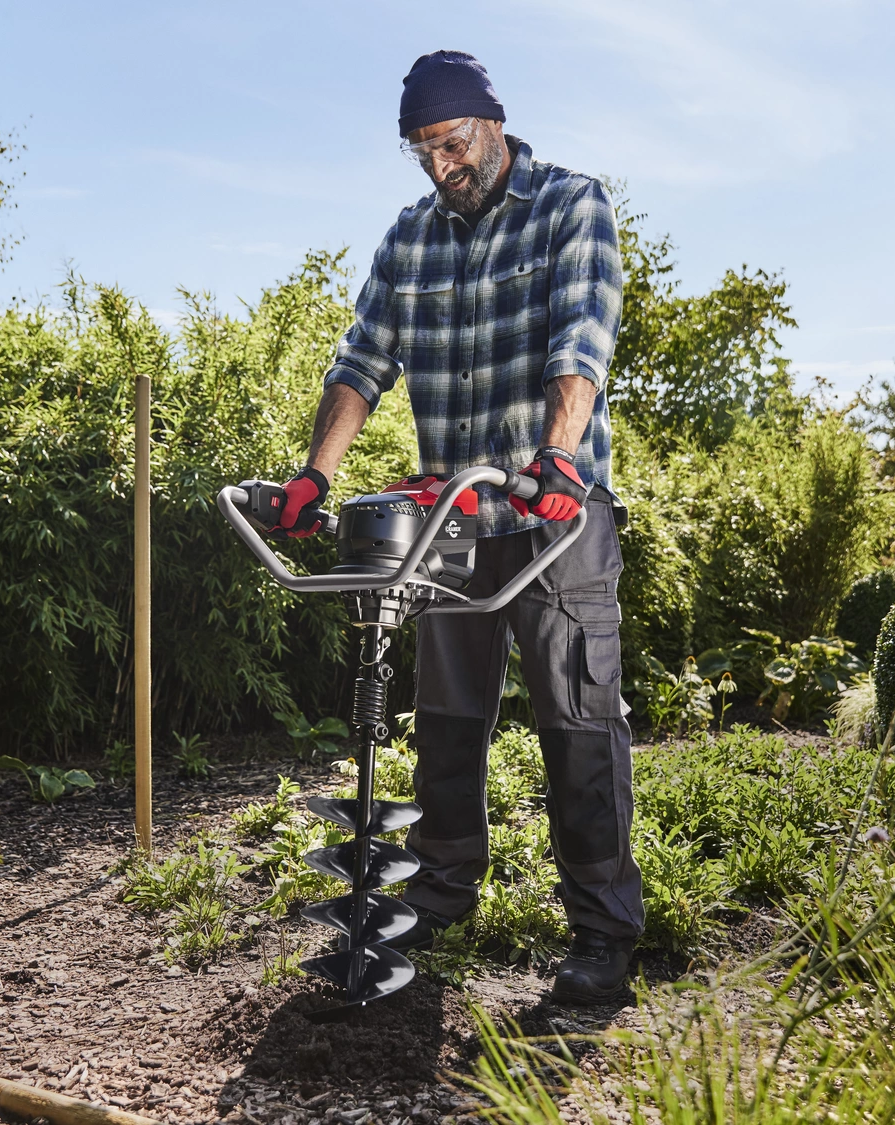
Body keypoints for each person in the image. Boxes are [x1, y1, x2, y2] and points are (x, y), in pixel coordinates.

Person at [264, 50, 641, 1004]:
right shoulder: (410, 240)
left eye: (452, 142)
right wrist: (317, 474)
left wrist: (558, 453)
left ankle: (601, 931)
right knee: (446, 719)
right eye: (421, 151)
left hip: (556, 518)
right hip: (453, 527)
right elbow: (360, 363)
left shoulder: (571, 204)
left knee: (578, 722)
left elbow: (580, 338)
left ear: (494, 123)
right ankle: (438, 888)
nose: (440, 166)